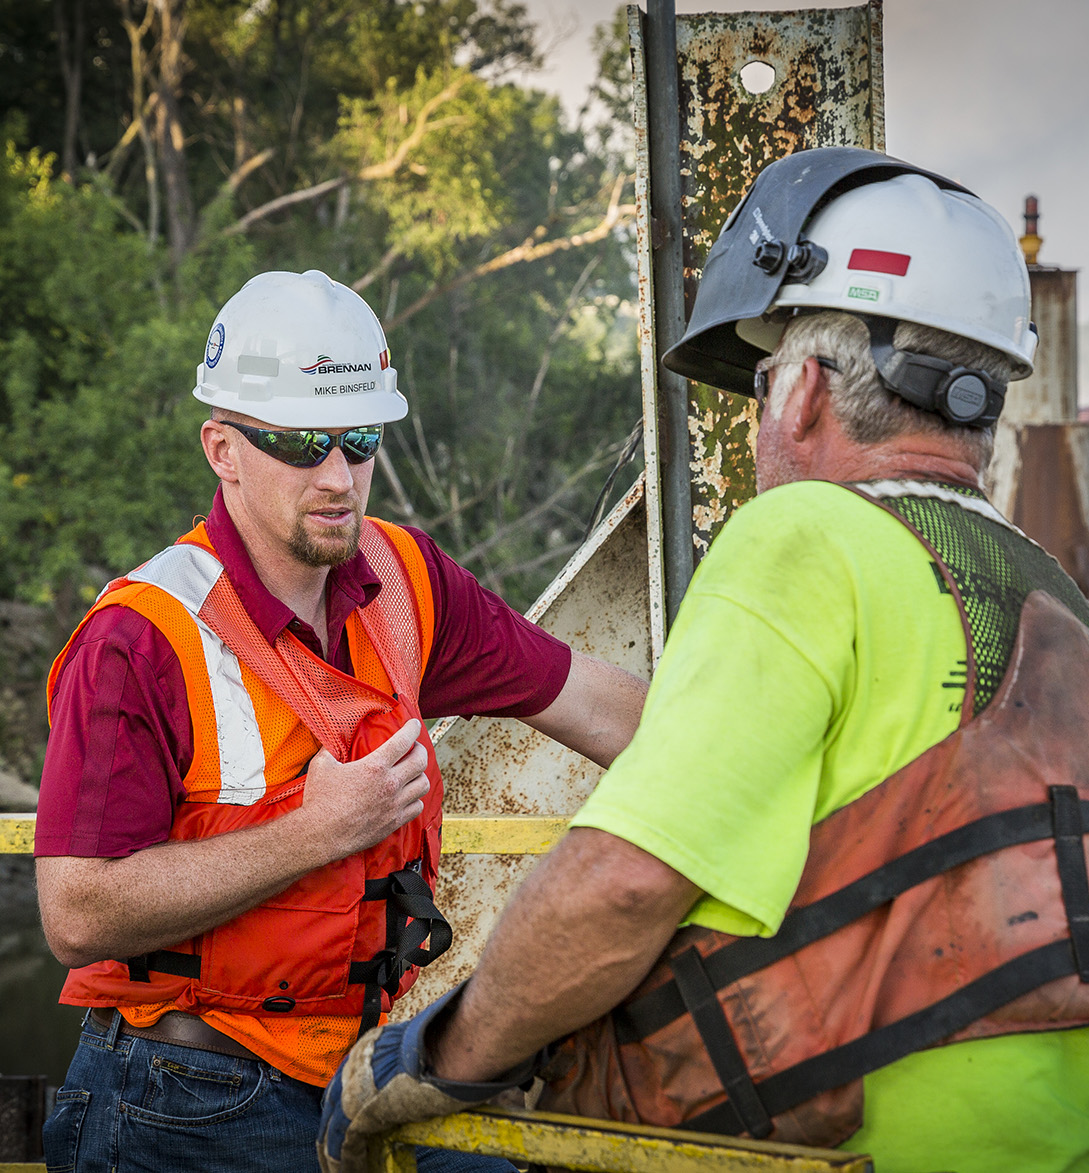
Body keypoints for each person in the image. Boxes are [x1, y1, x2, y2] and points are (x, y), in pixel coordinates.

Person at [318, 150, 1089, 1173]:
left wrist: (434, 1057)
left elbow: (624, 884)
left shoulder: (806, 536)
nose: (760, 418)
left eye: (760, 383)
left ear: (803, 391)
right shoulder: (1052, 591)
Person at [33, 269, 648, 1173]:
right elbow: (77, 913)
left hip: (355, 1068)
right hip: (176, 1095)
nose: (337, 476)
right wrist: (319, 830)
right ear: (222, 448)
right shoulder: (141, 638)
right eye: (299, 441)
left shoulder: (404, 578)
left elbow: (592, 701)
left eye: (359, 439)